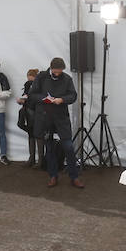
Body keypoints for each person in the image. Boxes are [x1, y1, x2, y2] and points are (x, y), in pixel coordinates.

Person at [30, 57, 83, 189]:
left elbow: (73, 95)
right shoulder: (41, 77)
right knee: (50, 149)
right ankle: (53, 176)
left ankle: (74, 177)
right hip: (45, 118)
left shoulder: (67, 79)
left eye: (60, 71)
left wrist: (62, 99)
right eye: (56, 71)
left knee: (69, 147)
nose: (58, 73)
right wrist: (45, 99)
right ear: (51, 68)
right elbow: (32, 94)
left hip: (61, 118)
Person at [17, 68, 40, 167]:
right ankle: (32, 158)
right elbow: (26, 95)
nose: (29, 81)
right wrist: (22, 100)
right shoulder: (27, 84)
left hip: (36, 111)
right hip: (27, 110)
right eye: (28, 79)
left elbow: (36, 99)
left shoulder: (40, 85)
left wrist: (25, 101)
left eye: (31, 79)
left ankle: (39, 160)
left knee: (37, 134)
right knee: (29, 131)